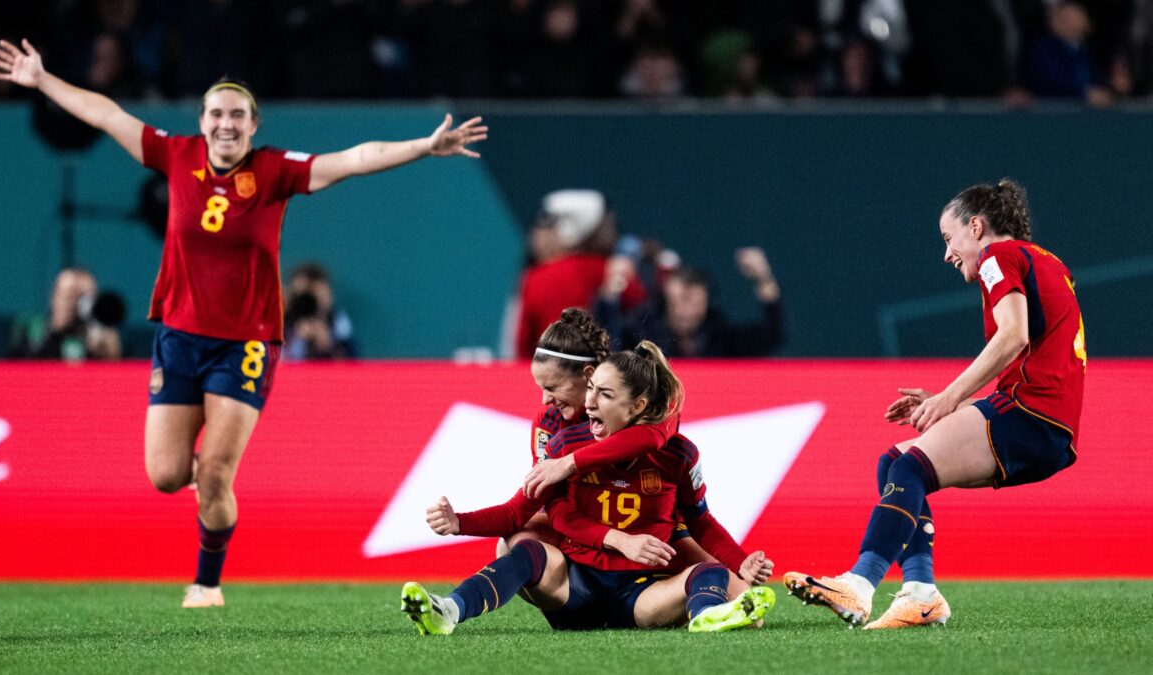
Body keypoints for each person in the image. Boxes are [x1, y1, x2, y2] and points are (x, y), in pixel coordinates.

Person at [0, 37, 486, 608]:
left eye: (237, 116)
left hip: (245, 345)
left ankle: (207, 581)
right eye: (217, 114)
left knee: (217, 475)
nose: (226, 124)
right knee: (166, 474)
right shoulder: (175, 156)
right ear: (202, 122)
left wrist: (424, 146)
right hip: (178, 336)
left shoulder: (275, 171)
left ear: (254, 125)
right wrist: (43, 79)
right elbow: (107, 114)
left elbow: (355, 157)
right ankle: (204, 489)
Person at [784, 179, 1085, 629]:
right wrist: (950, 403)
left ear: (977, 227)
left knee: (907, 467)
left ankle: (860, 584)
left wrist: (951, 398)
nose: (947, 254)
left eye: (949, 238)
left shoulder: (997, 256)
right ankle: (920, 594)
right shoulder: (1047, 260)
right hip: (1048, 421)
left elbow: (1014, 334)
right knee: (897, 462)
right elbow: (1034, 350)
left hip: (1032, 413)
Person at [405, 341, 775, 634]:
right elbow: (518, 511)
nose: (590, 402)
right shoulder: (563, 441)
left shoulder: (678, 453)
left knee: (710, 577)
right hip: (575, 586)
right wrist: (459, 522)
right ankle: (448, 611)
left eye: (605, 395)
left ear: (638, 406)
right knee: (523, 551)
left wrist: (742, 561)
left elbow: (702, 522)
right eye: (592, 390)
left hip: (641, 593)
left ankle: (707, 618)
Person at [512, 190, 645, 359]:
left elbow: (522, 343)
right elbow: (643, 315)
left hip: (547, 376)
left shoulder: (534, 277)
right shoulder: (611, 270)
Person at [596, 247, 783, 357]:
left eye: (694, 302)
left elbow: (772, 334)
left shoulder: (720, 336)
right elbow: (607, 344)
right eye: (678, 301)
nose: (685, 310)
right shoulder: (642, 335)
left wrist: (764, 278)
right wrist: (610, 293)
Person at [9, 267, 123, 361]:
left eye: (83, 298)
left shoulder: (102, 340)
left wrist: (111, 358)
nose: (75, 306)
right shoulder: (32, 336)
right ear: (54, 298)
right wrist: (55, 333)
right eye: (70, 297)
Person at [283, 263, 357, 360]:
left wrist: (326, 344)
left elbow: (352, 359)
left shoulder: (336, 320)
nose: (307, 303)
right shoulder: (280, 321)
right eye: (302, 298)